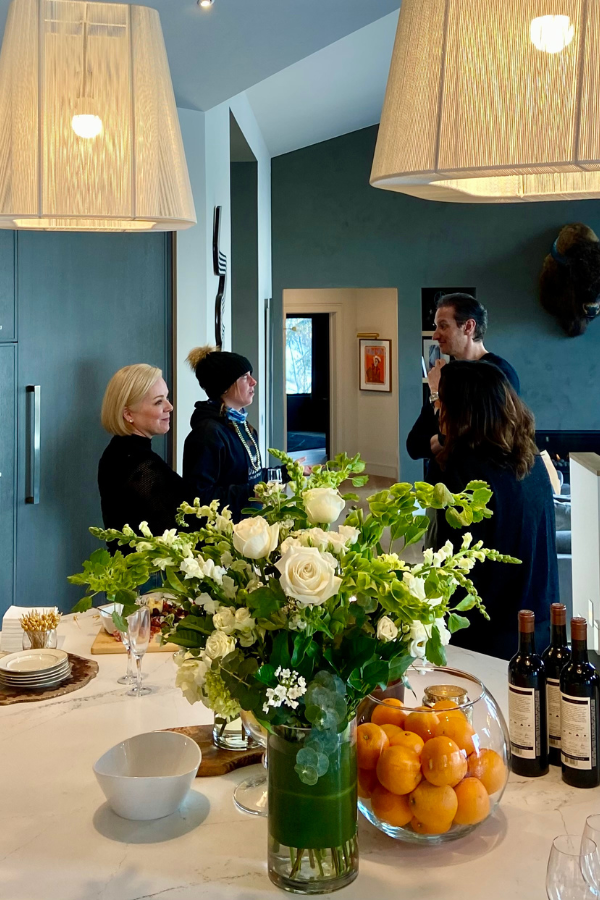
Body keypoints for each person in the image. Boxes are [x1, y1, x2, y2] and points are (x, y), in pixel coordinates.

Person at [433, 360, 558, 660]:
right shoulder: (531, 462)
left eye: (441, 400)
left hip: (486, 641)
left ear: (462, 410)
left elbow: (455, 570)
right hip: (540, 626)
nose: (437, 408)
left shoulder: (465, 474)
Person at [407, 293, 520, 469]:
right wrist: (446, 439)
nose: (435, 335)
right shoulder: (447, 375)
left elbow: (477, 443)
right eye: (436, 326)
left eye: (443, 326)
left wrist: (436, 393)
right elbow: (415, 445)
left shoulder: (499, 374)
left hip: (475, 483)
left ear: (468, 326)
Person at [98, 364, 189, 544]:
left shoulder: (121, 452)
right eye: (158, 402)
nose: (169, 407)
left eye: (167, 397)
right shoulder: (139, 464)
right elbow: (168, 533)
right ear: (128, 414)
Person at [183, 346, 276, 522]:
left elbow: (250, 476)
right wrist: (251, 494)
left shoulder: (242, 425)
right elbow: (199, 497)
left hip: (251, 527)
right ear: (224, 386)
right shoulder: (207, 434)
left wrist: (287, 472)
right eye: (244, 377)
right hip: (225, 533)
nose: (253, 381)